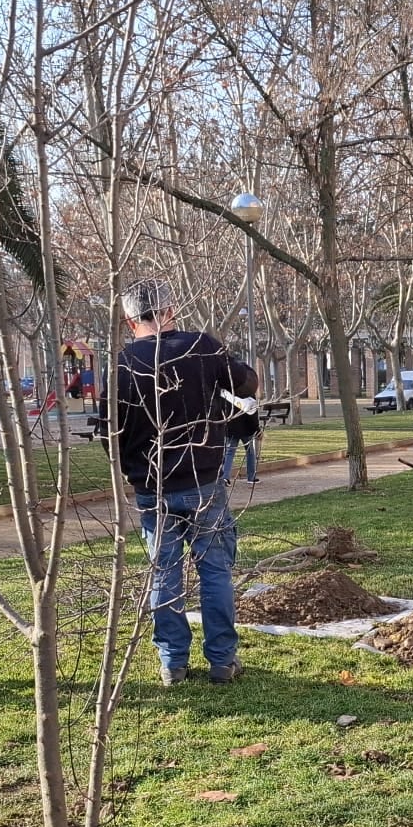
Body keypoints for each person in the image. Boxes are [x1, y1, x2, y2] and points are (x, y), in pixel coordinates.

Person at [111, 277, 259, 687]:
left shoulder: (121, 364)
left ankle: (172, 663)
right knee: (215, 571)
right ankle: (222, 661)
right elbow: (246, 384)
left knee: (165, 573)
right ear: (170, 311)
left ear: (129, 321)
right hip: (203, 480)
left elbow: (112, 433)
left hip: (151, 487)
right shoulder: (202, 346)